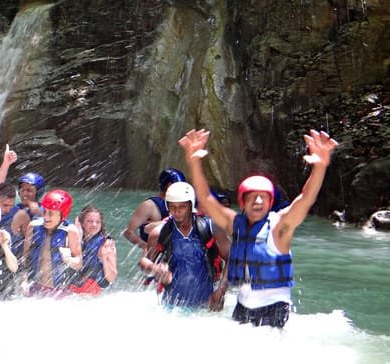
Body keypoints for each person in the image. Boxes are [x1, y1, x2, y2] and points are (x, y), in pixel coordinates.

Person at [179, 128, 338, 327]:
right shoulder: (235, 225)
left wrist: (319, 168)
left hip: (274, 308)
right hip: (243, 307)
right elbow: (206, 199)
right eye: (253, 197)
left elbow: (306, 199)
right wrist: (194, 162)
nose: (258, 201)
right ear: (243, 203)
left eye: (263, 197)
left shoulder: (281, 226)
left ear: (270, 202)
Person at [139, 182, 226, 309]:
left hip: (205, 306)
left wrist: (221, 290)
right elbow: (144, 262)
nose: (177, 211)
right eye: (172, 207)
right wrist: (155, 269)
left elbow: (231, 257)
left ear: (190, 206)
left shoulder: (210, 228)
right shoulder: (159, 233)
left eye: (182, 207)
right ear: (167, 206)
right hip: (171, 307)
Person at [22, 189, 82, 295]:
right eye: (44, 211)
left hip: (60, 291)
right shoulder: (33, 226)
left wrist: (68, 259)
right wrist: (23, 280)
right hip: (35, 287)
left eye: (51, 213)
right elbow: (25, 258)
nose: (46, 217)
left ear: (62, 215)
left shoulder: (70, 231)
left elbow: (79, 263)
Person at [122, 168, 186, 248]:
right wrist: (147, 247)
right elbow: (128, 232)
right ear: (169, 185)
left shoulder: (183, 205)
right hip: (155, 253)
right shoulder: (148, 206)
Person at [69, 204, 118, 294]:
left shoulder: (106, 243)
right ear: (82, 223)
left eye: (98, 222)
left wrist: (104, 258)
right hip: (75, 289)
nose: (94, 225)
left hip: (97, 290)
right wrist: (78, 236)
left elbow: (112, 278)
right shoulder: (73, 237)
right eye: (90, 221)